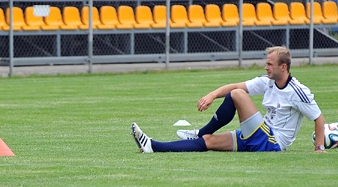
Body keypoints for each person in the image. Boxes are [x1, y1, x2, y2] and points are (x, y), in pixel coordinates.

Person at [131, 46, 327, 154]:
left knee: (237, 95)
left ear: (283, 67)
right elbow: (235, 85)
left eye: (270, 64)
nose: (266, 67)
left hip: (272, 142)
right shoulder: (267, 81)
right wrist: (212, 94)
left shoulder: (298, 91)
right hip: (258, 135)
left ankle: (199, 132)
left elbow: (318, 118)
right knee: (207, 141)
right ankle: (152, 146)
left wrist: (319, 148)